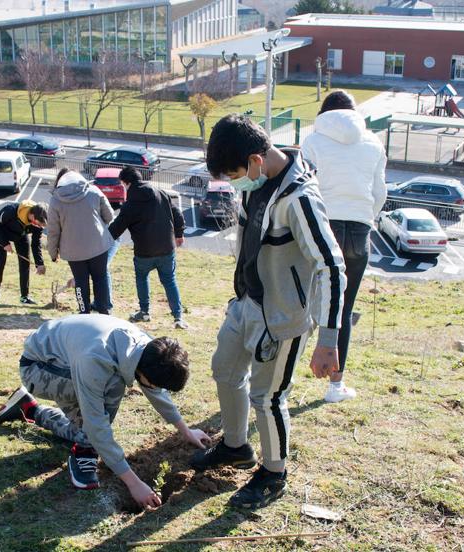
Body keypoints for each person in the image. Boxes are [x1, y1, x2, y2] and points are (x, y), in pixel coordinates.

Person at [191, 114, 347, 510]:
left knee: (269, 398)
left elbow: (332, 266)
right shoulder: (255, 185)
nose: (233, 182)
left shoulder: (301, 199)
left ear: (256, 160)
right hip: (246, 302)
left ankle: (274, 473)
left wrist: (328, 340)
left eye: (234, 173)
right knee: (225, 371)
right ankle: (235, 446)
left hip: (283, 318)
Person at [0, 314, 210, 507]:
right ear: (146, 374)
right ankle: (84, 451)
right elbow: (96, 423)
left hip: (64, 360)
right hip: (37, 368)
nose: (158, 390)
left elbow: (155, 390)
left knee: (109, 389)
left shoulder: (147, 349)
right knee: (109, 393)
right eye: (157, 384)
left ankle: (28, 409)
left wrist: (185, 430)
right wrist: (134, 484)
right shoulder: (95, 361)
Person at [301, 90, 386, 404]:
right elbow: (379, 193)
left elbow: (305, 187)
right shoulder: (374, 143)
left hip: (324, 225)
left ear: (324, 113)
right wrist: (364, 217)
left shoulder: (313, 141)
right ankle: (336, 386)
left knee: (307, 305)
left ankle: (282, 376)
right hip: (359, 229)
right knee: (343, 309)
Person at [109, 166, 188, 329]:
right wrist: (179, 234)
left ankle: (144, 311)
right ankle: (178, 317)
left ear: (126, 182)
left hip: (144, 251)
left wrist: (104, 238)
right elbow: (177, 214)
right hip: (167, 247)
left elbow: (117, 227)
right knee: (169, 280)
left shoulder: (130, 204)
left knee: (142, 278)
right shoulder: (160, 192)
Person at [48, 169, 115, 314]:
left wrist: (53, 253)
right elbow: (109, 216)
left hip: (73, 251)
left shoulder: (55, 200)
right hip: (98, 245)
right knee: (100, 277)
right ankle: (104, 311)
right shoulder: (94, 191)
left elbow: (53, 231)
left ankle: (84, 311)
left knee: (80, 281)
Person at [0, 200, 47, 305]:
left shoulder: (38, 225)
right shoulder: (11, 211)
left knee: (25, 263)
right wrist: (5, 243)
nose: (38, 226)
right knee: (1, 260)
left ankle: (24, 297)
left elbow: (35, 244)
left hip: (21, 236)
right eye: (37, 223)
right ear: (32, 215)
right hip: (3, 233)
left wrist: (39, 263)